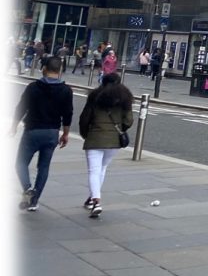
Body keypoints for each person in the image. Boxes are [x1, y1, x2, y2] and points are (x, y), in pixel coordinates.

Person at [12, 55, 73, 212]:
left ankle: (27, 189)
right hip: (52, 132)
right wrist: (65, 134)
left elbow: (21, 107)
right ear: (59, 70)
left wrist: (13, 126)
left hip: (32, 130)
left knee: (20, 163)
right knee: (44, 167)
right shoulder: (66, 90)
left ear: (44, 69)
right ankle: (34, 200)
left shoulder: (33, 87)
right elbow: (68, 114)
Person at [78, 72, 135, 219]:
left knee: (93, 171)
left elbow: (84, 118)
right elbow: (129, 120)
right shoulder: (125, 98)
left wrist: (85, 134)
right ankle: (92, 198)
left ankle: (96, 201)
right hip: (114, 140)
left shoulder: (94, 97)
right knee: (102, 168)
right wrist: (119, 129)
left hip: (95, 137)